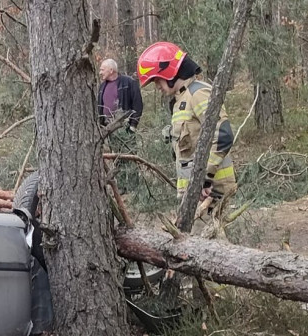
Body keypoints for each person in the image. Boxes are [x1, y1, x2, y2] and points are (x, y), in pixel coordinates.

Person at [137, 42, 237, 210]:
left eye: (157, 80)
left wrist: (204, 178)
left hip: (211, 192)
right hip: (196, 194)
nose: (157, 86)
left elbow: (223, 135)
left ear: (169, 73)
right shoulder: (180, 100)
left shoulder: (198, 94)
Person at [97, 58, 144, 132]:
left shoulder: (129, 83)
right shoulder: (102, 86)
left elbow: (137, 105)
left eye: (102, 70)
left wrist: (133, 126)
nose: (100, 73)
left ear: (111, 70)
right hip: (105, 129)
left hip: (124, 128)